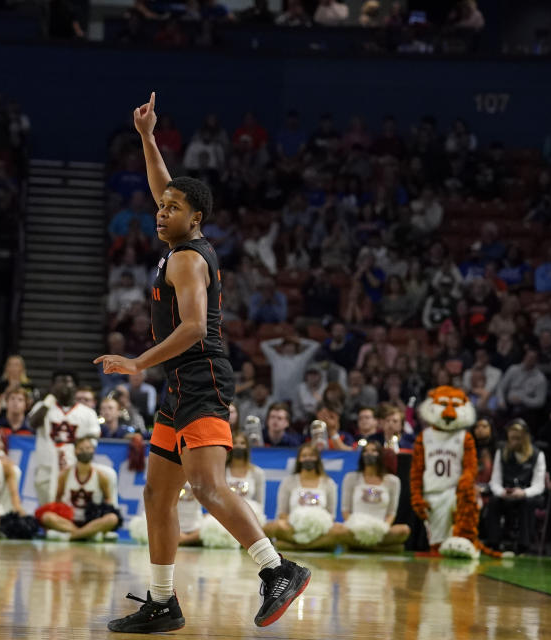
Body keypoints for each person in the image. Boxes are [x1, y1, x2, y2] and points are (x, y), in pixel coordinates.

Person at [97, 93, 310, 634]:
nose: (160, 210)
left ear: (195, 217)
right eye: (160, 206)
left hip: (202, 376)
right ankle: (163, 602)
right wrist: (147, 138)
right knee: (157, 492)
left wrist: (137, 362)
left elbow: (193, 328)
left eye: (171, 208)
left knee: (208, 486)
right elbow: (161, 182)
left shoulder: (189, 259)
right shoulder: (178, 243)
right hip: (180, 382)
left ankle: (277, 569)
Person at [483, 420, 547, 554]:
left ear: (525, 438)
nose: (514, 442)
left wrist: (523, 492)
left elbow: (539, 485)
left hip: (527, 494)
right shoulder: (501, 452)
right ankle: (493, 542)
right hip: (507, 493)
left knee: (526, 503)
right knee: (494, 501)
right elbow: (495, 481)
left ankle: (524, 545)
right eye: (511, 438)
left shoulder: (537, 455)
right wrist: (501, 492)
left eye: (518, 439)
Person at [263, 443, 343, 550]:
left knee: (340, 530)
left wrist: (315, 525)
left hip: (319, 528)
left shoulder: (328, 483)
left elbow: (331, 515)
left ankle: (296, 546)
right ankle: (316, 546)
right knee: (272, 527)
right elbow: (282, 514)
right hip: (293, 527)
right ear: (299, 459)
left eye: (311, 455)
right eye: (304, 456)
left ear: (317, 459)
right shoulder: (289, 481)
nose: (308, 458)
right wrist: (299, 523)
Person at [40, 436, 121, 540]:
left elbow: (109, 501)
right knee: (47, 517)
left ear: (93, 450)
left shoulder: (101, 476)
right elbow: (58, 499)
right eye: (81, 449)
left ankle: (71, 536)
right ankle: (88, 534)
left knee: (112, 518)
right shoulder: (65, 474)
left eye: (88, 448)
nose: (85, 451)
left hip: (92, 520)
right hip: (69, 520)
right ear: (75, 451)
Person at [340, 441, 410, 550]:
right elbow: (345, 511)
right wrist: (356, 527)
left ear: (380, 455)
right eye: (366, 451)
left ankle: (362, 546)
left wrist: (383, 528)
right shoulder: (351, 478)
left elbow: (391, 513)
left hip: (380, 528)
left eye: (373, 451)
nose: (369, 454)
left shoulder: (393, 481)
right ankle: (381, 547)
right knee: (337, 530)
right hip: (356, 526)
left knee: (404, 530)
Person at [226, 432, 267, 510]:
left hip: (250, 514)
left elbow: (260, 504)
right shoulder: (221, 471)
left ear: (247, 447)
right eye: (234, 443)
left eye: (242, 443)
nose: (238, 446)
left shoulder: (258, 473)